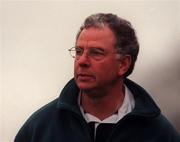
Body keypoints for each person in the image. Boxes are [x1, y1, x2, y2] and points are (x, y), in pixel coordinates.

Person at [14, 13, 180, 142]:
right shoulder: (39, 129)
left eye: (96, 53)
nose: (82, 61)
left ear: (123, 64)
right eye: (79, 52)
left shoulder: (159, 134)